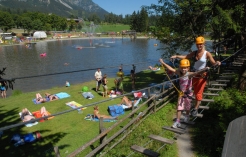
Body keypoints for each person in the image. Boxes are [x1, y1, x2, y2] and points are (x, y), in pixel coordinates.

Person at [170, 36, 221, 116]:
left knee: (198, 92)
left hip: (202, 75)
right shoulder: (195, 52)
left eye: (200, 44)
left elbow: (213, 63)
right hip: (193, 74)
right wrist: (176, 56)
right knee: (190, 90)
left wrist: (217, 63)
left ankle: (196, 109)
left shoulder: (207, 54)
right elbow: (186, 57)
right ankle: (188, 105)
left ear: (204, 44)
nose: (199, 46)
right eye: (197, 44)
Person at [160, 58, 205, 128]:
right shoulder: (179, 73)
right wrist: (163, 63)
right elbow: (171, 69)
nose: (183, 69)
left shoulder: (189, 74)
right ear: (180, 68)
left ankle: (186, 117)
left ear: (188, 68)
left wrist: (205, 69)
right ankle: (177, 121)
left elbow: (197, 73)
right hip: (181, 93)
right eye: (182, 68)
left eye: (185, 68)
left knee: (187, 107)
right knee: (179, 107)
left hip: (188, 94)